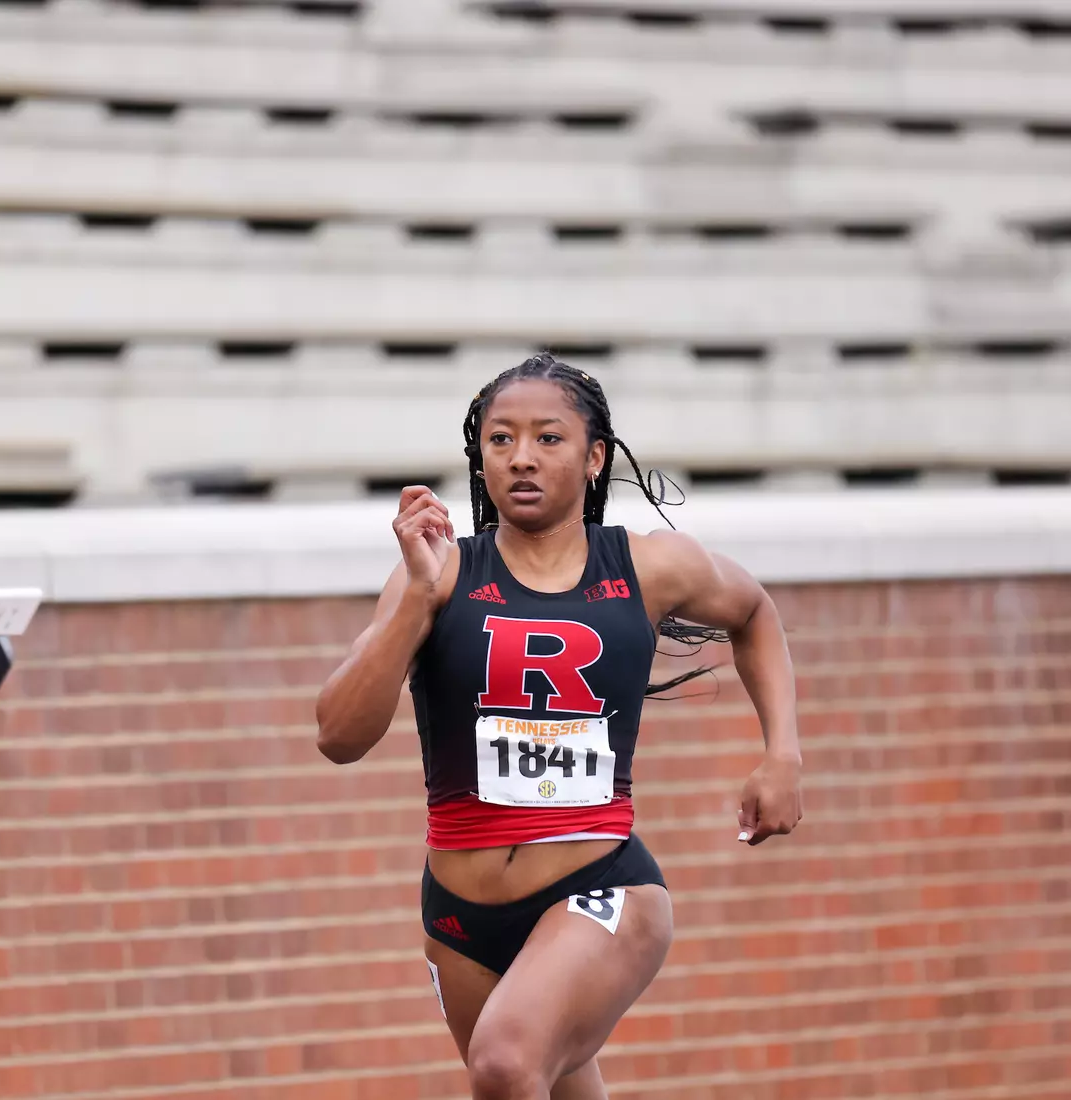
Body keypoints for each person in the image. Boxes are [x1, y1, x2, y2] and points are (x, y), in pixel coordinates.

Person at [314, 353, 804, 1100]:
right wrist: (414, 599)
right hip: (459, 917)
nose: (521, 458)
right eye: (501, 440)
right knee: (542, 1082)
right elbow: (338, 736)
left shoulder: (651, 566)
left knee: (506, 1066)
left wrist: (783, 754)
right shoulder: (440, 575)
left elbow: (753, 611)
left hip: (600, 887)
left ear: (594, 455)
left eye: (548, 438)